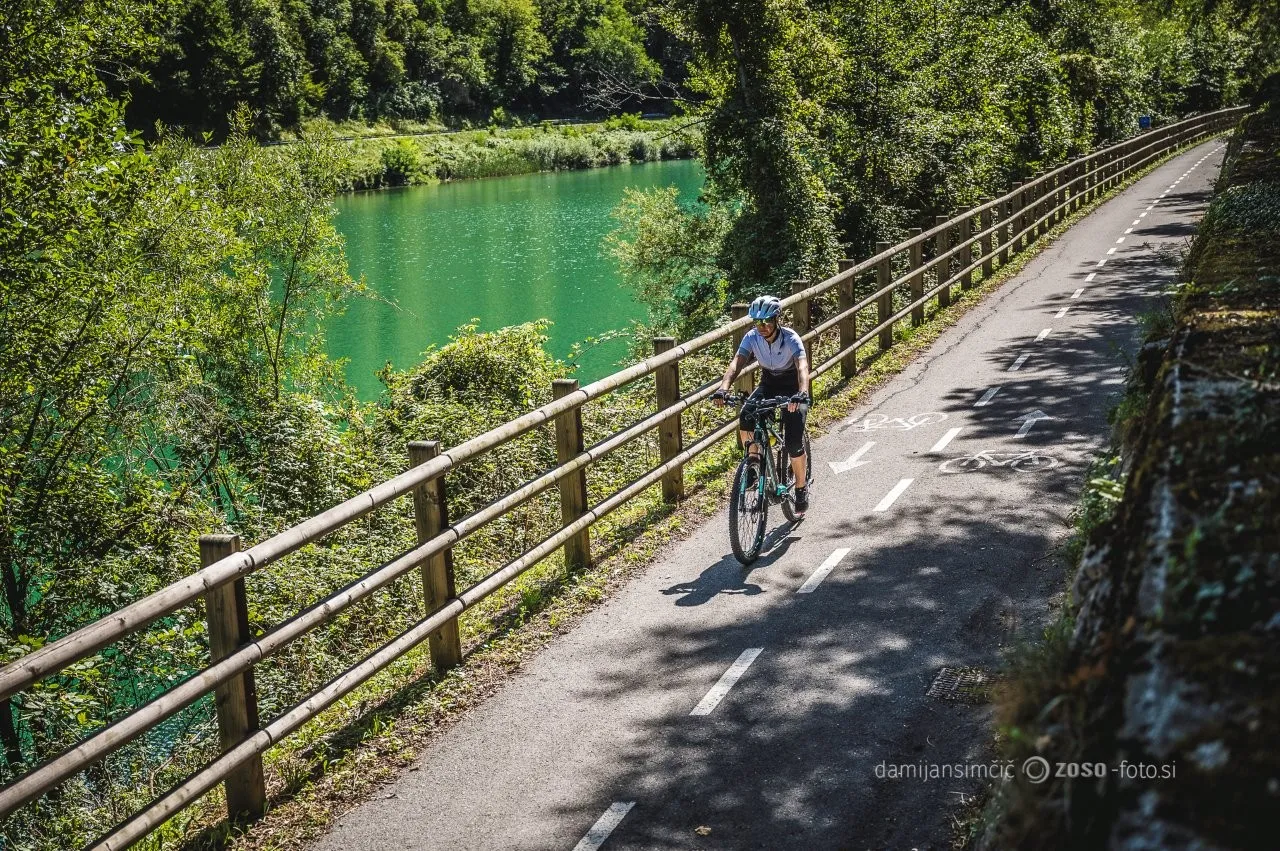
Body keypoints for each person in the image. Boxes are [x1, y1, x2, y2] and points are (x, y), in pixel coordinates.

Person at [711, 295, 811, 514]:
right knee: (746, 415)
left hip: (793, 387)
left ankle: (801, 488)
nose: (762, 327)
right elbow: (736, 363)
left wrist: (801, 393)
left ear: (776, 320)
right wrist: (723, 389)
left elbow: (802, 367)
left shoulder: (791, 338)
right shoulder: (752, 337)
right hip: (769, 383)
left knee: (793, 442)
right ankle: (753, 465)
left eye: (767, 322)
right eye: (758, 322)